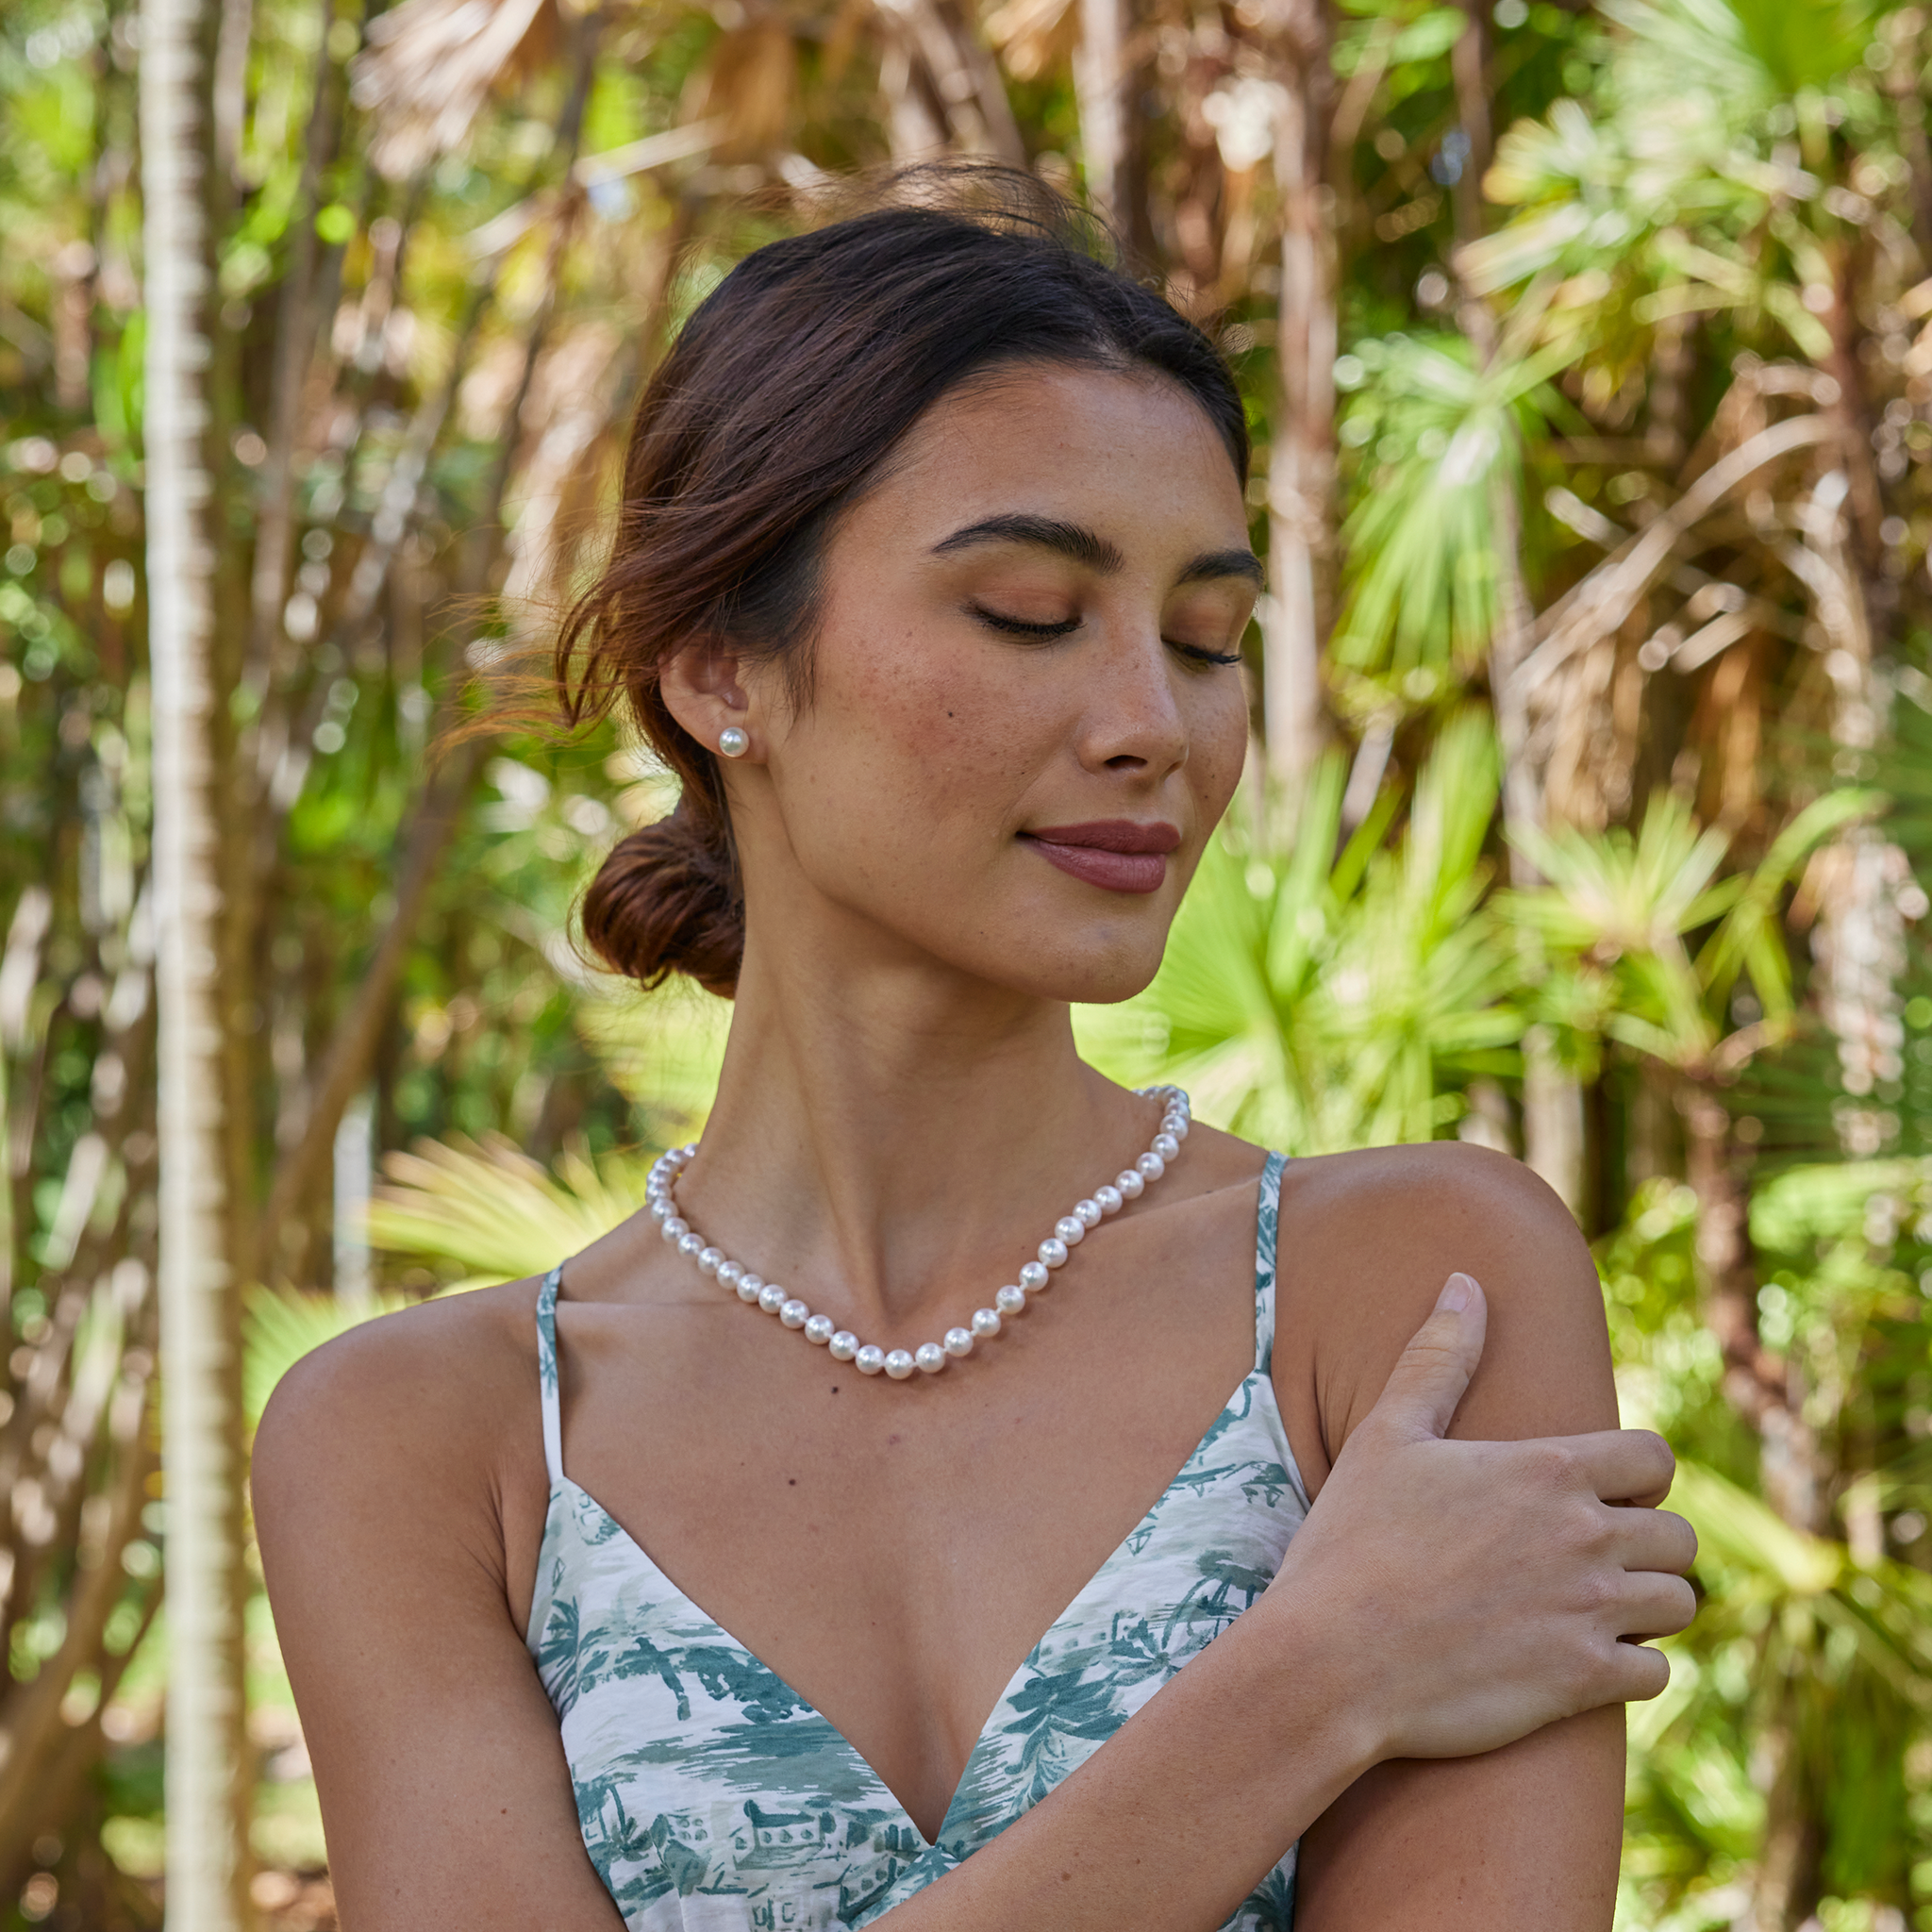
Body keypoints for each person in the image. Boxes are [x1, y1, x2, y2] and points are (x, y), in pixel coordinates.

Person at [254, 169, 1697, 1932]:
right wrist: (1316, 1677)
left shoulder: (1410, 1293)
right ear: (721, 664)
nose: (1152, 727)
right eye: (1028, 612)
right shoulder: (427, 1443)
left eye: (1208, 639)